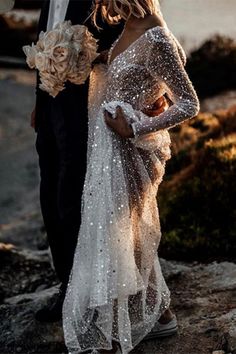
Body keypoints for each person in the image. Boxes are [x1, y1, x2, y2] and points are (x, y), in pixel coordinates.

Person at [62, 0, 200, 353]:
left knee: (119, 234)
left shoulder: (157, 36)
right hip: (110, 150)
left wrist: (137, 125)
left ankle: (115, 331)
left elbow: (189, 102)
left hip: (132, 150)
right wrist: (102, 60)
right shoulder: (130, 24)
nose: (101, 4)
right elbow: (137, 75)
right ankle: (162, 315)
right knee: (127, 235)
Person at [32, 0, 166, 322]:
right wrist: (40, 102)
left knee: (74, 204)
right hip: (50, 111)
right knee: (49, 197)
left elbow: (145, 39)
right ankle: (68, 289)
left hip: (89, 116)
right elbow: (44, 42)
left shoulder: (107, 2)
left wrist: (153, 96)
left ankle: (87, 300)